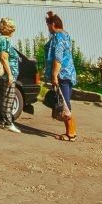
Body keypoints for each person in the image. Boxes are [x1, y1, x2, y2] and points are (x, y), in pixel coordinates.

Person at [45, 11, 78, 141]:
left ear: (53, 24)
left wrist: (54, 75)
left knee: (64, 104)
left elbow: (57, 57)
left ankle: (71, 133)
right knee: (65, 102)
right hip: (69, 73)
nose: (47, 28)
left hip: (62, 74)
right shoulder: (66, 35)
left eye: (48, 25)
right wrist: (52, 16)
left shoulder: (58, 37)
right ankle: (71, 132)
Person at [0, 17, 21, 133]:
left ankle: (6, 121)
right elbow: (4, 57)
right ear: (10, 29)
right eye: (13, 28)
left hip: (8, 73)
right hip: (8, 74)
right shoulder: (4, 41)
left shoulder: (0, 39)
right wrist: (10, 74)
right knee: (9, 98)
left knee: (7, 96)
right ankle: (8, 122)